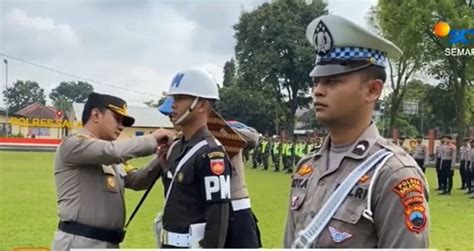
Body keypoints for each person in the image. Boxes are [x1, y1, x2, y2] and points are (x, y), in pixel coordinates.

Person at [284, 15, 429, 248]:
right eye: (316, 82)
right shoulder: (307, 167)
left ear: (372, 90)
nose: (318, 91)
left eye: (332, 81)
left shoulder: (394, 174)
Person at [52, 92, 172, 249]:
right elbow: (112, 152)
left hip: (107, 243)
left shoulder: (108, 155)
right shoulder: (74, 143)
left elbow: (136, 180)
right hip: (80, 242)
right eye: (117, 119)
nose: (121, 127)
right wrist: (153, 139)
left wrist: (160, 159)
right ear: (96, 115)